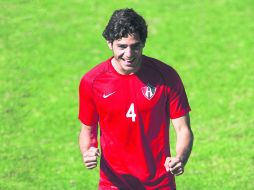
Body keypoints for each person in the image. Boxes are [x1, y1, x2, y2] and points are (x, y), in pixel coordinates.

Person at [78, 8, 194, 190]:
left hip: (159, 183)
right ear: (110, 43)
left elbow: (183, 128)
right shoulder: (92, 82)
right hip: (114, 183)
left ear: (143, 44)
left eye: (135, 46)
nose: (129, 54)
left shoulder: (166, 77)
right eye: (122, 46)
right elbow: (88, 130)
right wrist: (88, 151)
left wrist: (180, 158)